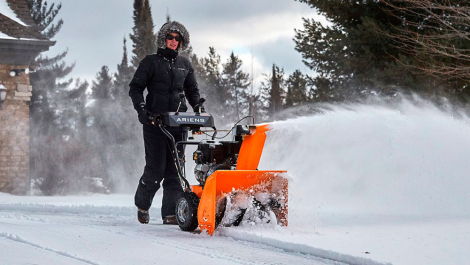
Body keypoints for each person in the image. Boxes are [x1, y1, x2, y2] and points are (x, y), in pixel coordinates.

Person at [129, 21, 201, 225]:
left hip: (178, 123)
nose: (174, 41)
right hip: (155, 123)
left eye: (178, 38)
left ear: (182, 42)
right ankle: (143, 205)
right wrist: (142, 111)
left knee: (175, 169)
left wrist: (198, 109)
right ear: (163, 39)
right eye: (170, 37)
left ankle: (170, 213)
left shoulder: (185, 65)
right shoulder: (150, 62)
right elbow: (135, 88)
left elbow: (192, 91)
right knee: (156, 169)